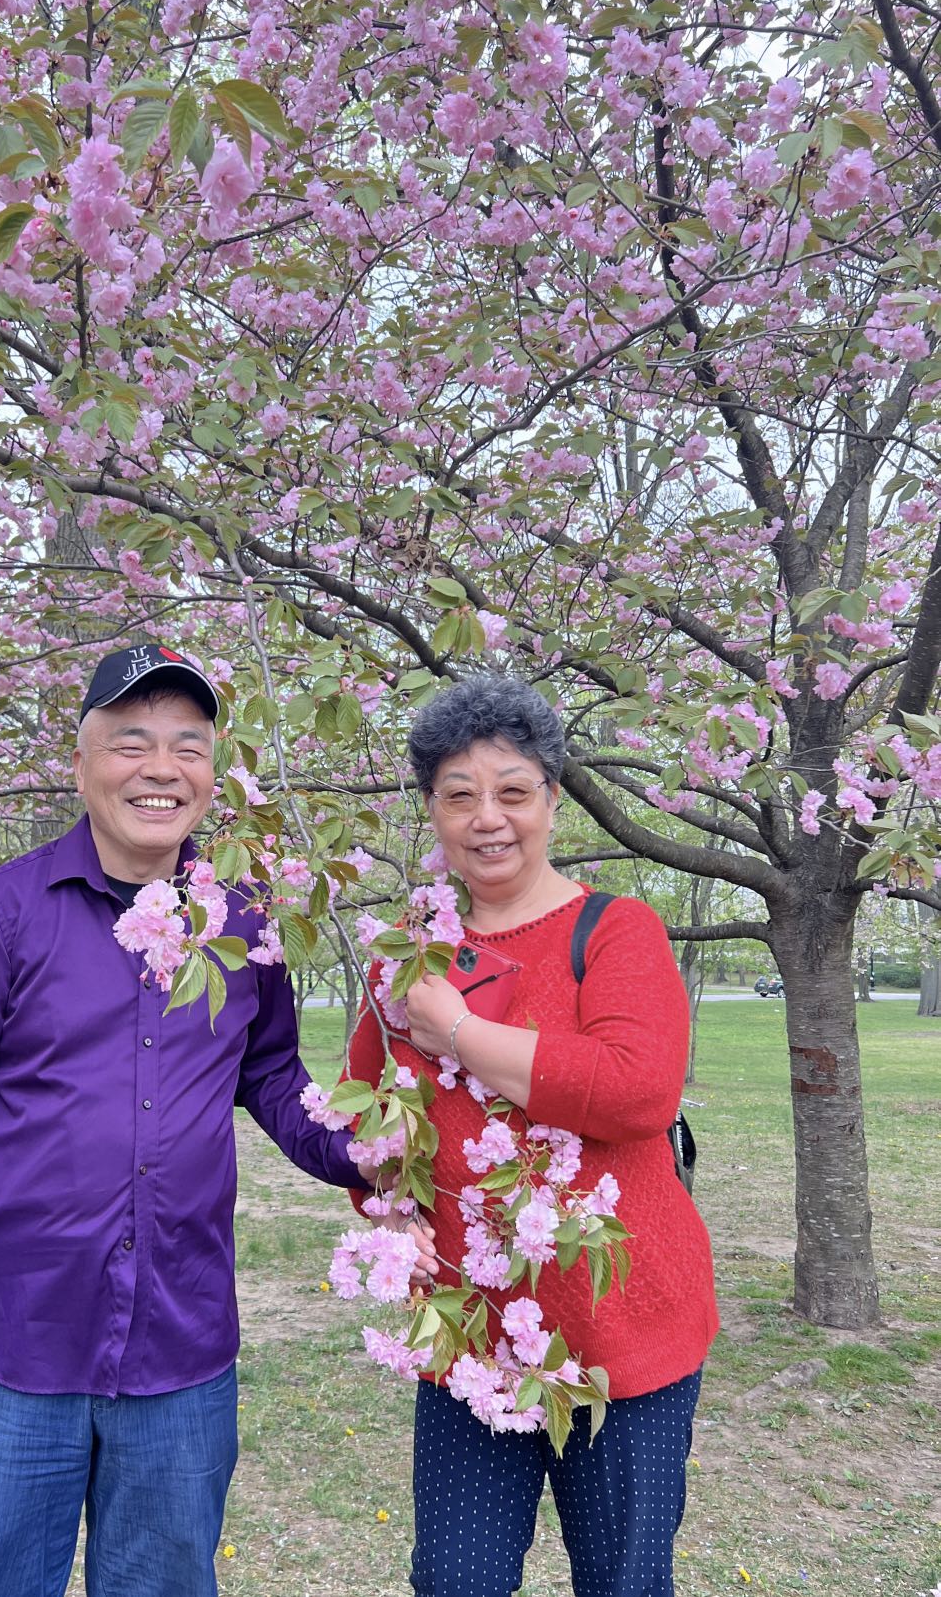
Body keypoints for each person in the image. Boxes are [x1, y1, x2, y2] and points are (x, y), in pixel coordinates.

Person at [0, 642, 376, 1597]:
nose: (159, 768)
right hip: (20, 1339)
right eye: (130, 741)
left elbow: (269, 1077)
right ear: (84, 763)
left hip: (180, 1343)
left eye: (188, 746)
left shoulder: (245, 915)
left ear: (212, 775)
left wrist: (365, 1156)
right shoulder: (5, 911)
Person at [344, 673, 718, 1597]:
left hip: (621, 1342)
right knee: (454, 1581)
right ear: (430, 808)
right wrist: (387, 1211)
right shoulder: (411, 947)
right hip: (472, 1341)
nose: (488, 818)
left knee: (623, 1581)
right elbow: (368, 1114)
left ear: (552, 797)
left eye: (513, 791)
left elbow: (637, 1092)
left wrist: (462, 1035)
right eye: (458, 795)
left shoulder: (616, 930)